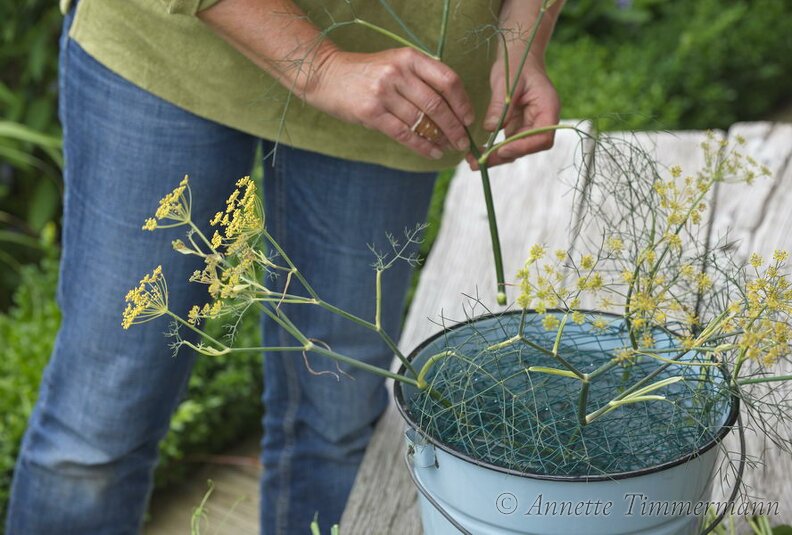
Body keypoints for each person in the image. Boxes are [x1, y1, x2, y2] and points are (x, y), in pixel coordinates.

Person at [6, 0, 562, 533]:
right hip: (171, 51)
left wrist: (522, 36)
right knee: (99, 424)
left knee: (335, 421)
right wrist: (320, 67)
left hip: (399, 89)